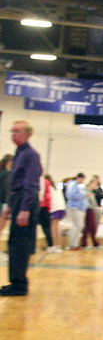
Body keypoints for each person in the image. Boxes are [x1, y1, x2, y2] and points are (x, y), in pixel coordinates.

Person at [1, 121, 42, 296]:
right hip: (18, 200)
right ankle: (15, 281)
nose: (14, 134)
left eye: (17, 131)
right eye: (12, 131)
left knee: (20, 243)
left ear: (28, 134)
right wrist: (9, 206)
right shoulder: (18, 154)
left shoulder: (31, 155)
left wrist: (25, 208)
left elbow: (31, 184)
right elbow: (15, 183)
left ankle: (20, 284)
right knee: (14, 242)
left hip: (26, 202)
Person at [65, 173, 87, 250]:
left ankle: (75, 244)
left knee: (79, 226)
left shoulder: (78, 185)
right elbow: (71, 196)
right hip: (74, 208)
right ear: (79, 178)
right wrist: (83, 195)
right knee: (76, 226)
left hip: (79, 209)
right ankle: (73, 244)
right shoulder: (73, 184)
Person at [81, 175, 103, 248]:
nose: (95, 186)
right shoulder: (85, 191)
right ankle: (90, 242)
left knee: (90, 226)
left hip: (91, 209)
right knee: (90, 226)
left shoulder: (91, 192)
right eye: (95, 184)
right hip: (87, 210)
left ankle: (89, 242)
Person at [46, 174, 65, 253]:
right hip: (61, 208)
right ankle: (58, 245)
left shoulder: (49, 186)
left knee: (53, 228)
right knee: (57, 227)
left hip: (54, 208)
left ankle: (54, 245)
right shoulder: (56, 186)